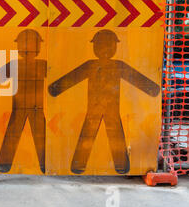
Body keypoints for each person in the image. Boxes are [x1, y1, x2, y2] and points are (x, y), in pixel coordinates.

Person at [48, 29, 160, 174]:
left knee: (98, 135)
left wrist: (55, 88)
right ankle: (118, 167)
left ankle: (79, 166)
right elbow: (140, 80)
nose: (105, 49)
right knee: (110, 135)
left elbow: (71, 78)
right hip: (102, 108)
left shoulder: (102, 65)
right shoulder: (106, 65)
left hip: (103, 108)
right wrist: (153, 89)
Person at [0, 29, 47, 173]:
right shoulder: (38, 65)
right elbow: (58, 82)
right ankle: (45, 166)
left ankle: (4, 165)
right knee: (38, 137)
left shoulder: (17, 65)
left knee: (15, 136)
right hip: (32, 109)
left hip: (24, 109)